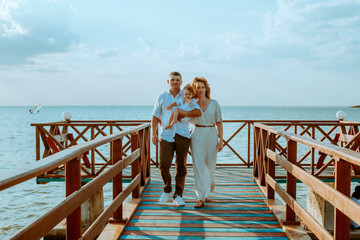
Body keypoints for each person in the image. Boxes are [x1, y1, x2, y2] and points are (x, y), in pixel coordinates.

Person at [151, 72, 202, 206]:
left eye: (177, 80)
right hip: (166, 135)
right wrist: (153, 133)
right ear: (168, 81)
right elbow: (155, 116)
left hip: (183, 134)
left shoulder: (187, 94)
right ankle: (167, 189)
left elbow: (197, 112)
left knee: (181, 167)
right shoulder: (161, 97)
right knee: (163, 165)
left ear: (181, 82)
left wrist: (183, 113)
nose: (175, 82)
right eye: (172, 80)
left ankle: (178, 195)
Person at [190, 76, 223, 208]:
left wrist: (221, 140)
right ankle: (200, 196)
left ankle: (207, 193)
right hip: (197, 134)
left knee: (210, 165)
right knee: (198, 166)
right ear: (195, 89)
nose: (201, 90)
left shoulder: (214, 103)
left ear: (206, 88)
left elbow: (219, 122)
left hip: (211, 133)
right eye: (198, 88)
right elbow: (184, 117)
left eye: (203, 87)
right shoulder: (192, 104)